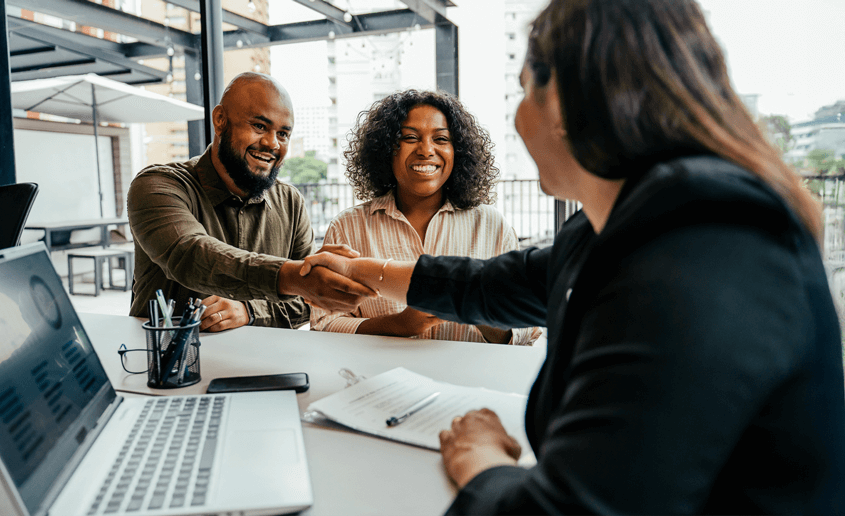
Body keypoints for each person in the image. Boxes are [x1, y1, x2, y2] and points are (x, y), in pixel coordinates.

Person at [299, 0, 845, 513]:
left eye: (522, 91)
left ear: (560, 102)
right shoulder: (618, 222)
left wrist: (479, 458)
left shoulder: (701, 251)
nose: (517, 118)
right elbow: (493, 284)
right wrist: (359, 270)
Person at [127, 72, 374, 331]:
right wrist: (294, 277)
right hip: (170, 353)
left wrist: (251, 311)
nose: (271, 143)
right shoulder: (158, 185)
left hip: (264, 356)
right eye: (259, 126)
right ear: (220, 120)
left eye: (283, 134)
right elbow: (191, 256)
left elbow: (310, 302)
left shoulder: (291, 202)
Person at [311, 89, 539, 345]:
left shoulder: (492, 226)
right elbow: (324, 323)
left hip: (470, 371)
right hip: (378, 371)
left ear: (458, 151)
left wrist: (472, 303)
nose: (426, 150)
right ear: (386, 149)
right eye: (410, 137)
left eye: (441, 139)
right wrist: (398, 325)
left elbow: (526, 329)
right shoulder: (347, 227)